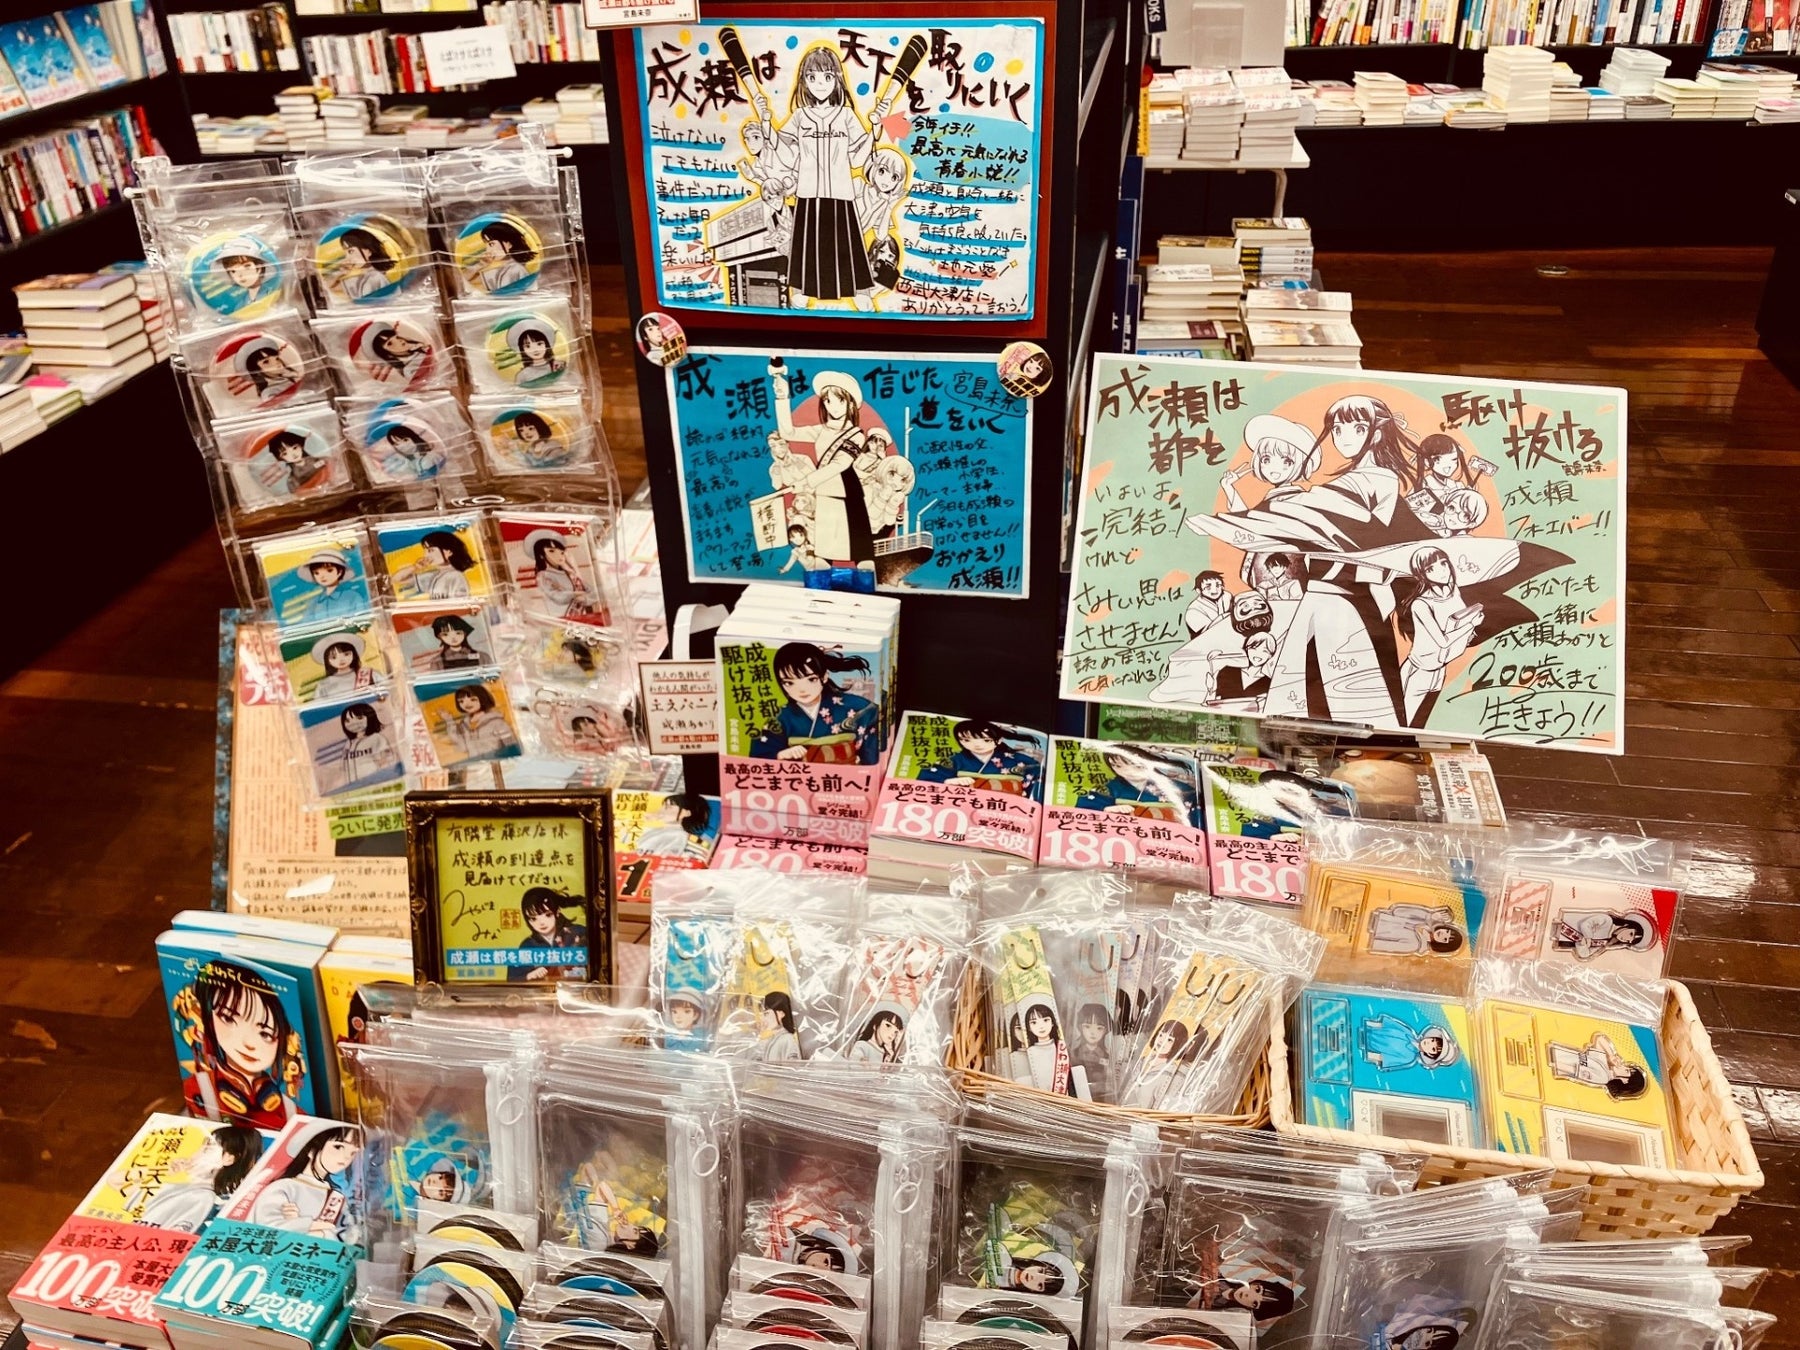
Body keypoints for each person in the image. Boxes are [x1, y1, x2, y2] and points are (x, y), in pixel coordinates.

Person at [1183, 395, 1428, 725]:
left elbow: (1313, 518)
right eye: (1337, 429)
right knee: (1304, 690)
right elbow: (1288, 523)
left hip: (1355, 598)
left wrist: (1232, 523)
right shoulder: (1344, 481)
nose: (1344, 437)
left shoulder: (1377, 478)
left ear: (1377, 433)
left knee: (1359, 695)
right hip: (1324, 594)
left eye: (1357, 428)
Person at [761, 46, 879, 309]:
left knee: (847, 242)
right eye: (812, 77)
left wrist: (874, 130)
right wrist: (767, 126)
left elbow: (858, 160)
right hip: (808, 192)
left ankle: (861, 291)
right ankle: (802, 289)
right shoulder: (800, 117)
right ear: (804, 81)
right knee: (807, 244)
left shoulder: (846, 115)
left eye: (827, 76)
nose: (820, 84)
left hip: (841, 192)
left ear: (837, 78)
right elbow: (787, 156)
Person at [772, 364, 876, 567]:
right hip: (824, 493)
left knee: (861, 556)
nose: (833, 406)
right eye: (828, 400)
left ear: (850, 404)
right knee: (823, 554)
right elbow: (787, 432)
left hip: (848, 494)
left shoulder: (856, 435)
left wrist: (806, 482)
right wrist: (782, 397)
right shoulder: (821, 430)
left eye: (840, 400)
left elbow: (839, 464)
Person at [183, 959, 301, 1129]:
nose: (249, 1043)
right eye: (229, 1018)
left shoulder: (292, 1111)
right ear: (207, 1020)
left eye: (265, 1034)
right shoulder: (195, 1089)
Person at [748, 641, 880, 764]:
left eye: (811, 679)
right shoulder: (780, 718)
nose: (801, 689)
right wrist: (781, 755)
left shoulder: (858, 707)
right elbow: (759, 758)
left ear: (824, 677)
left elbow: (872, 751)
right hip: (799, 778)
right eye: (789, 683)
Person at [1395, 545, 1483, 726]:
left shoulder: (1454, 592)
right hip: (1419, 671)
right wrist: (1471, 625)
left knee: (1423, 723)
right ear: (1422, 575)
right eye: (1430, 569)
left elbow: (1455, 624)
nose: (1442, 571)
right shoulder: (1421, 604)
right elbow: (1442, 641)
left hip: (1440, 670)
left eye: (1443, 563)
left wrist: (1469, 627)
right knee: (1404, 724)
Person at [137, 1125, 263, 1232]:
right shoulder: (177, 1187)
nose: (197, 1152)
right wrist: (159, 1171)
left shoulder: (201, 1197)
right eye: (202, 1145)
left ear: (229, 1159)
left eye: (208, 1147)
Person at [249, 1124, 362, 1242]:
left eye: (353, 1152)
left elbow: (349, 1235)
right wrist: (312, 1226)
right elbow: (266, 1228)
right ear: (311, 1150)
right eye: (338, 1147)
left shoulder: (337, 1197)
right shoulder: (283, 1187)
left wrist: (300, 1226)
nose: (346, 1157)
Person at [918, 720, 1042, 799]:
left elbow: (1037, 775)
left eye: (986, 740)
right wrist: (948, 781)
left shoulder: (1019, 760)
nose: (977, 745)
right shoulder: (955, 760)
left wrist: (1025, 793)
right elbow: (926, 780)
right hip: (964, 802)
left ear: (999, 740)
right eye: (966, 740)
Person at [1075, 746, 1196, 821]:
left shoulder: (1178, 788)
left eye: (1134, 765)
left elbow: (1194, 814)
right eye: (1117, 766)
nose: (1127, 771)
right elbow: (1084, 810)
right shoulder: (1111, 788)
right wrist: (1107, 809)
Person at [1408, 433, 1490, 538]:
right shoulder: (1422, 487)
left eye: (1454, 460)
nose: (1448, 466)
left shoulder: (1458, 486)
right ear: (1427, 462)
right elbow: (1411, 515)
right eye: (1437, 459)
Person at [512, 887, 586, 982]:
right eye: (533, 918)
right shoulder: (527, 945)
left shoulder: (578, 932)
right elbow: (513, 979)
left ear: (557, 912)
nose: (541, 923)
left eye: (548, 915)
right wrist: (530, 975)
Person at [1547, 1032, 1649, 1099]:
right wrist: (1611, 1055)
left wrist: (1553, 1064)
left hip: (1554, 1060)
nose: (1622, 1065)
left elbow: (1573, 1071)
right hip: (1554, 1051)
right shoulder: (1604, 1065)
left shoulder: (1603, 1078)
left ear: (1625, 1081)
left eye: (1626, 1070)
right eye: (1627, 1067)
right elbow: (1599, 1039)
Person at [526, 528, 597, 620]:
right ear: (541, 555)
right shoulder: (543, 575)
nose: (559, 556)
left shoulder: (570, 573)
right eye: (551, 551)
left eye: (561, 552)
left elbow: (594, 592)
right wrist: (575, 594)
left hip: (585, 618)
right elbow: (557, 596)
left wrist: (585, 598)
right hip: (560, 620)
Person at [442, 683, 519, 764]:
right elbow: (462, 747)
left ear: (482, 698)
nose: (467, 704)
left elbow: (511, 745)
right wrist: (449, 721)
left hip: (499, 764)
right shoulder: (464, 725)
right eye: (461, 701)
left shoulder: (496, 722)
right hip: (477, 766)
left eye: (473, 699)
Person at [393, 529, 477, 600]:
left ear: (449, 552)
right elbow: (396, 580)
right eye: (425, 551)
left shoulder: (456, 576)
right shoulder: (434, 575)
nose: (426, 555)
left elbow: (461, 605)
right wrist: (415, 567)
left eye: (431, 550)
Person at [1361, 1015, 1460, 1072]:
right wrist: (1364, 1024)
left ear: (1430, 1055)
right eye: (1433, 1040)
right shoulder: (1408, 1032)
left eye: (1433, 1049)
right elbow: (1381, 1025)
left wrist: (1364, 1053)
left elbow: (1380, 1058)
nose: (1429, 1044)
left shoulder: (1408, 1058)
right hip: (1364, 1028)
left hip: (1365, 1046)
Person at [335, 701, 397, 791]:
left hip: (374, 786)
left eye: (359, 718)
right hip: (352, 788)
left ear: (369, 718)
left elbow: (387, 761)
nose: (353, 723)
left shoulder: (376, 738)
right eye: (347, 720)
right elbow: (343, 768)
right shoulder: (349, 743)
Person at [1553, 909, 1657, 962]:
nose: (1627, 939)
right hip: (1559, 922)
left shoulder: (1606, 942)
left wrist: (1582, 945)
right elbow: (1586, 924)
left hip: (1557, 940)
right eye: (1631, 934)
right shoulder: (1607, 921)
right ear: (1627, 925)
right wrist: (1588, 937)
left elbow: (1585, 954)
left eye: (1630, 941)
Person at [1366, 903, 1465, 956]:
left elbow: (1382, 945)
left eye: (1445, 939)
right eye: (1447, 931)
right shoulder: (1426, 922)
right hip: (1375, 914)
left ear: (1442, 945)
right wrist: (1428, 916)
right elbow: (1398, 911)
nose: (1443, 934)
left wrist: (1366, 939)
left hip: (1366, 933)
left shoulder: (1416, 945)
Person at [634, 794, 713, 859]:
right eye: (663, 806)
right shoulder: (654, 830)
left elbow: (665, 858)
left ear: (686, 813)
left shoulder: (678, 834)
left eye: (669, 807)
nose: (662, 810)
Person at [296, 549, 364, 624]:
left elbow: (362, 620)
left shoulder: (352, 597)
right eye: (316, 573)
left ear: (340, 572)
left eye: (329, 570)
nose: (322, 576)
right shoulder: (314, 602)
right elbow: (307, 624)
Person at [472, 219, 535, 294]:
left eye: (491, 244)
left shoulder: (516, 269)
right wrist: (480, 265)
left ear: (509, 244)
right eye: (487, 245)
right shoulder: (495, 271)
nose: (488, 250)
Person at [312, 633, 383, 700]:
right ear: (327, 661)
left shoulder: (371, 674)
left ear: (353, 654)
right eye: (334, 657)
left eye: (346, 654)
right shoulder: (324, 685)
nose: (341, 659)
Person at [1069, 1002, 1113, 1101]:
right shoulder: (1073, 1054)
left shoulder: (1108, 1056)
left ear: (1106, 1030)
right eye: (1087, 1026)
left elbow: (1110, 1083)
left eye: (1099, 1028)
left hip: (1101, 1100)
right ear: (1080, 1027)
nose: (1093, 1032)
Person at [268, 429, 329, 497]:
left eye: (295, 448)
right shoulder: (292, 481)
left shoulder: (319, 460)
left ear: (301, 446)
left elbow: (329, 463)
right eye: (285, 453)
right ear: (280, 458)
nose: (293, 454)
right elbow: (297, 494)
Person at [418, 613, 487, 670]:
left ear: (465, 633)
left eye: (458, 633)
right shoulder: (437, 661)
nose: (453, 637)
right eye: (445, 634)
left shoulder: (483, 656)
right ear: (439, 637)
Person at [378, 423, 445, 481]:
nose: (402, 446)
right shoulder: (410, 462)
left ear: (414, 438)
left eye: (405, 440)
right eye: (396, 444)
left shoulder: (430, 457)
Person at [760, 990, 802, 1061]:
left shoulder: (787, 1039)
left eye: (766, 1014)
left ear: (781, 1014)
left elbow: (794, 1065)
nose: (762, 1018)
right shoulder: (771, 1040)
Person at [1183, 571, 1228, 635]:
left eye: (1218, 585)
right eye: (1208, 587)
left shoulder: (1227, 596)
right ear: (1198, 590)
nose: (1214, 590)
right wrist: (1223, 617)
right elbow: (1206, 633)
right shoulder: (1193, 610)